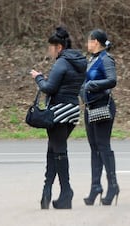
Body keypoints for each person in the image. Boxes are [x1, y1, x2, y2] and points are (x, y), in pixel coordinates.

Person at [31, 27, 87, 209]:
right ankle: (46, 193)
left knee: (59, 152)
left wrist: (38, 77)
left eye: (51, 47)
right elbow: (68, 84)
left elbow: (49, 88)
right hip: (72, 110)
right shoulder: (79, 61)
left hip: (59, 111)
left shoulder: (61, 63)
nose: (49, 51)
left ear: (59, 47)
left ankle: (66, 193)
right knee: (53, 150)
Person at [81, 29, 119, 206]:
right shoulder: (92, 59)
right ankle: (95, 187)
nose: (87, 44)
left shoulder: (106, 59)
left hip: (103, 108)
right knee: (94, 148)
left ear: (95, 42)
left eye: (89, 41)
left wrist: (91, 85)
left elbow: (112, 80)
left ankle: (113, 186)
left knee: (103, 147)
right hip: (90, 108)